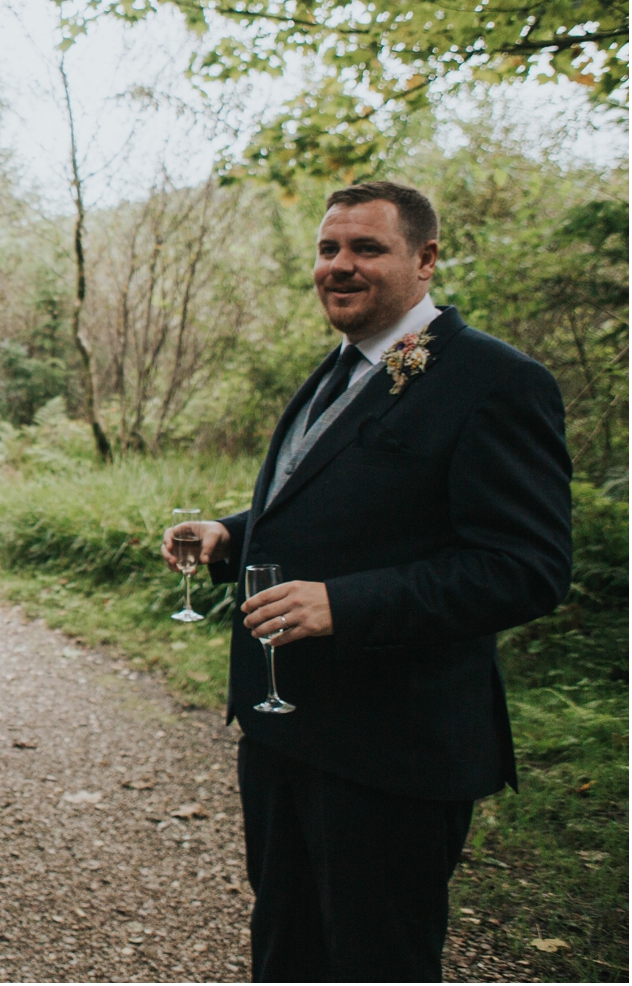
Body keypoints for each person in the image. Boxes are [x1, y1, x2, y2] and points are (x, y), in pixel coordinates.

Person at [162, 182, 570, 983]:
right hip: (284, 730)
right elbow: (331, 503)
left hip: (393, 750)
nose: (339, 266)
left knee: (375, 960)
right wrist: (230, 536)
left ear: (425, 260)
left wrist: (343, 605)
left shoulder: (495, 381)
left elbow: (527, 567)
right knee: (286, 942)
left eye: (366, 249)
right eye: (327, 249)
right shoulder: (341, 365)